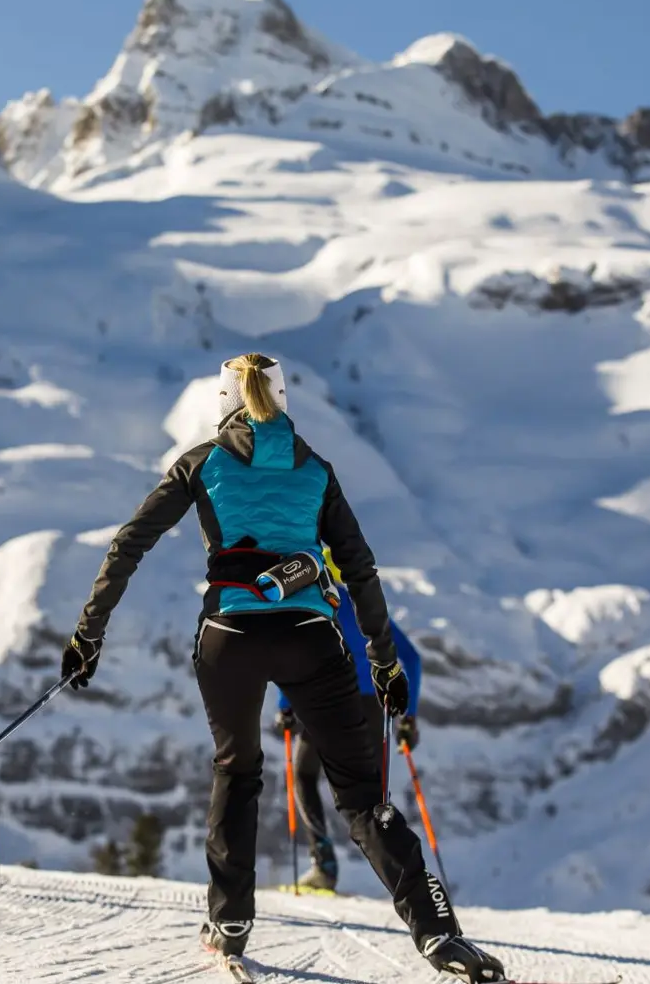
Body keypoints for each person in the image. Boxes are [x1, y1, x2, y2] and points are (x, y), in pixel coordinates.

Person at [61, 353, 504, 982]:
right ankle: (439, 938)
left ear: (224, 402)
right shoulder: (315, 468)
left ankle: (230, 921)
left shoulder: (200, 462)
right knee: (361, 796)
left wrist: (88, 633)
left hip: (229, 637)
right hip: (310, 638)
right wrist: (382, 659)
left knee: (237, 770)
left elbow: (129, 542)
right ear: (284, 400)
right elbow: (360, 567)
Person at [275, 547, 422, 893]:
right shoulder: (366, 608)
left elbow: (293, 657)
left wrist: (286, 706)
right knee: (367, 794)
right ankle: (406, 876)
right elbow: (411, 659)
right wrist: (408, 717)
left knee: (304, 776)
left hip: (327, 701)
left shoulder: (315, 606)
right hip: (372, 707)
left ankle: (323, 865)